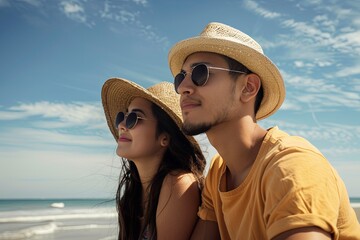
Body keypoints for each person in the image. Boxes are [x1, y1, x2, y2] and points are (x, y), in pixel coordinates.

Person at [168, 22, 360, 240]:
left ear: (248, 87)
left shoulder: (291, 166)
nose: (183, 87)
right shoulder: (219, 173)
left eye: (200, 72)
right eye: (180, 77)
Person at [101, 78, 206, 239]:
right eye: (123, 116)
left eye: (133, 118)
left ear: (165, 137)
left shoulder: (178, 183)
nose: (121, 125)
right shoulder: (131, 196)